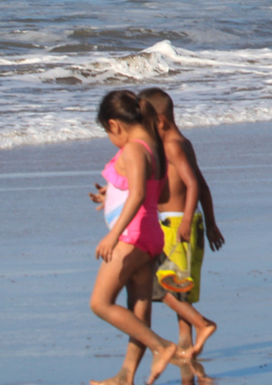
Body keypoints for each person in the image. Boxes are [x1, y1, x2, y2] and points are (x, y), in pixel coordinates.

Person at [89, 90, 187, 385]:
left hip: (131, 236)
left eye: (108, 133)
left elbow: (140, 194)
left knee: (100, 303)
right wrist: (111, 193)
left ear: (115, 125)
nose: (111, 139)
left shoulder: (133, 149)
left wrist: (113, 236)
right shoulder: (152, 146)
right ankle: (126, 374)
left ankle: (161, 347)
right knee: (139, 303)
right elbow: (139, 185)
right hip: (150, 234)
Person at [141, 87, 224, 357]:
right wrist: (210, 223)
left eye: (145, 123)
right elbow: (202, 184)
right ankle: (187, 346)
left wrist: (188, 220)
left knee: (160, 286)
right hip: (182, 223)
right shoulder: (182, 143)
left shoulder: (173, 146)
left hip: (178, 226)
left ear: (160, 122)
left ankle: (202, 325)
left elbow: (192, 185)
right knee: (180, 292)